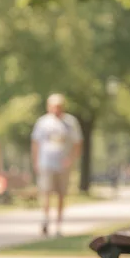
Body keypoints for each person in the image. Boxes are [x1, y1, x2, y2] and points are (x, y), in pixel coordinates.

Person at [30, 94, 83, 237]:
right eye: (53, 107)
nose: (56, 110)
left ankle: (58, 225)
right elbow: (35, 143)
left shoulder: (70, 122)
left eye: (59, 107)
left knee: (61, 194)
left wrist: (71, 159)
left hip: (63, 164)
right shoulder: (42, 123)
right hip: (46, 162)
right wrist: (35, 161)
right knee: (45, 192)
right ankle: (45, 220)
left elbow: (78, 143)